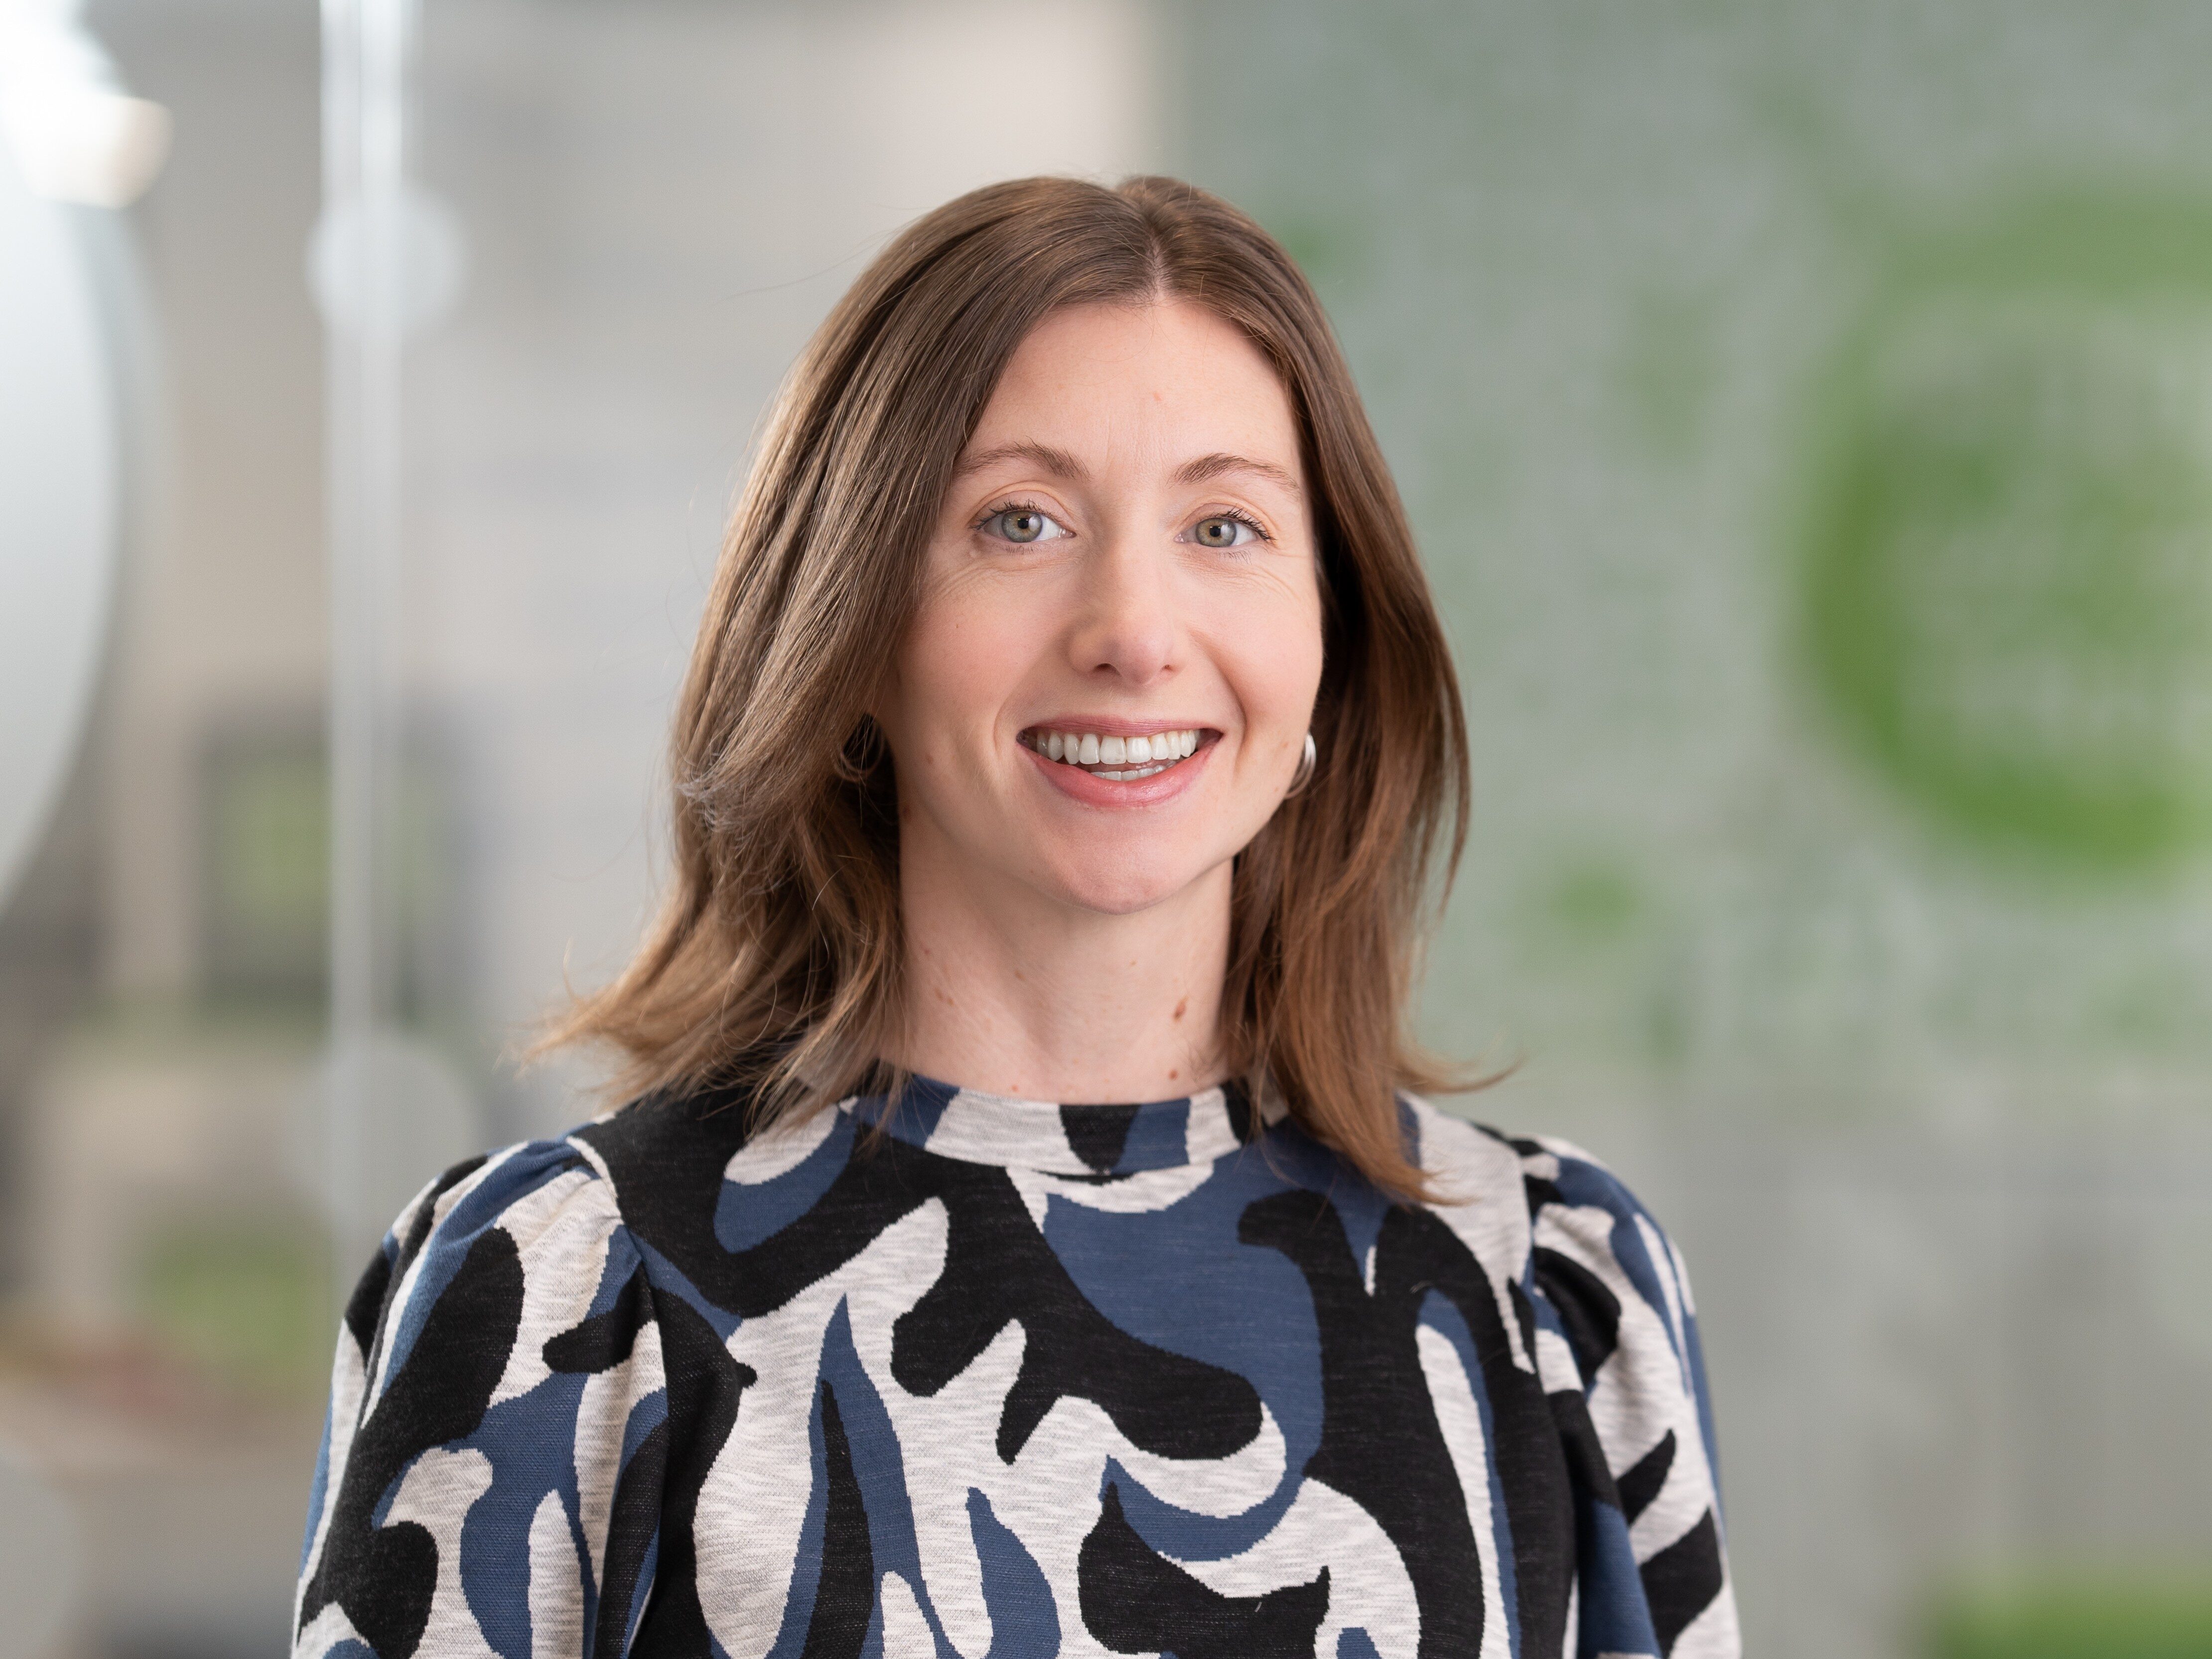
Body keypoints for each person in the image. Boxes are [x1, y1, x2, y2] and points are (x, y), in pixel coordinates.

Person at [291, 175, 1737, 1659]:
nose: (1132, 631)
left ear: (1330, 640)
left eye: (1225, 526)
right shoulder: (563, 1290)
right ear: (853, 635)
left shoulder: (1558, 1285)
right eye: (1020, 520)